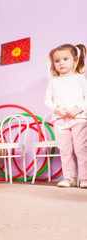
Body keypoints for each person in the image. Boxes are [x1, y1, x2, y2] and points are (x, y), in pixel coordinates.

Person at [44, 43, 87, 188]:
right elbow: (47, 100)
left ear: (75, 60)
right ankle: (69, 177)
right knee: (65, 150)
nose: (61, 63)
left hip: (78, 119)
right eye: (57, 61)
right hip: (60, 121)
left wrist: (80, 108)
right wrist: (56, 109)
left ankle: (85, 178)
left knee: (81, 148)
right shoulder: (54, 82)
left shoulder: (81, 79)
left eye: (65, 59)